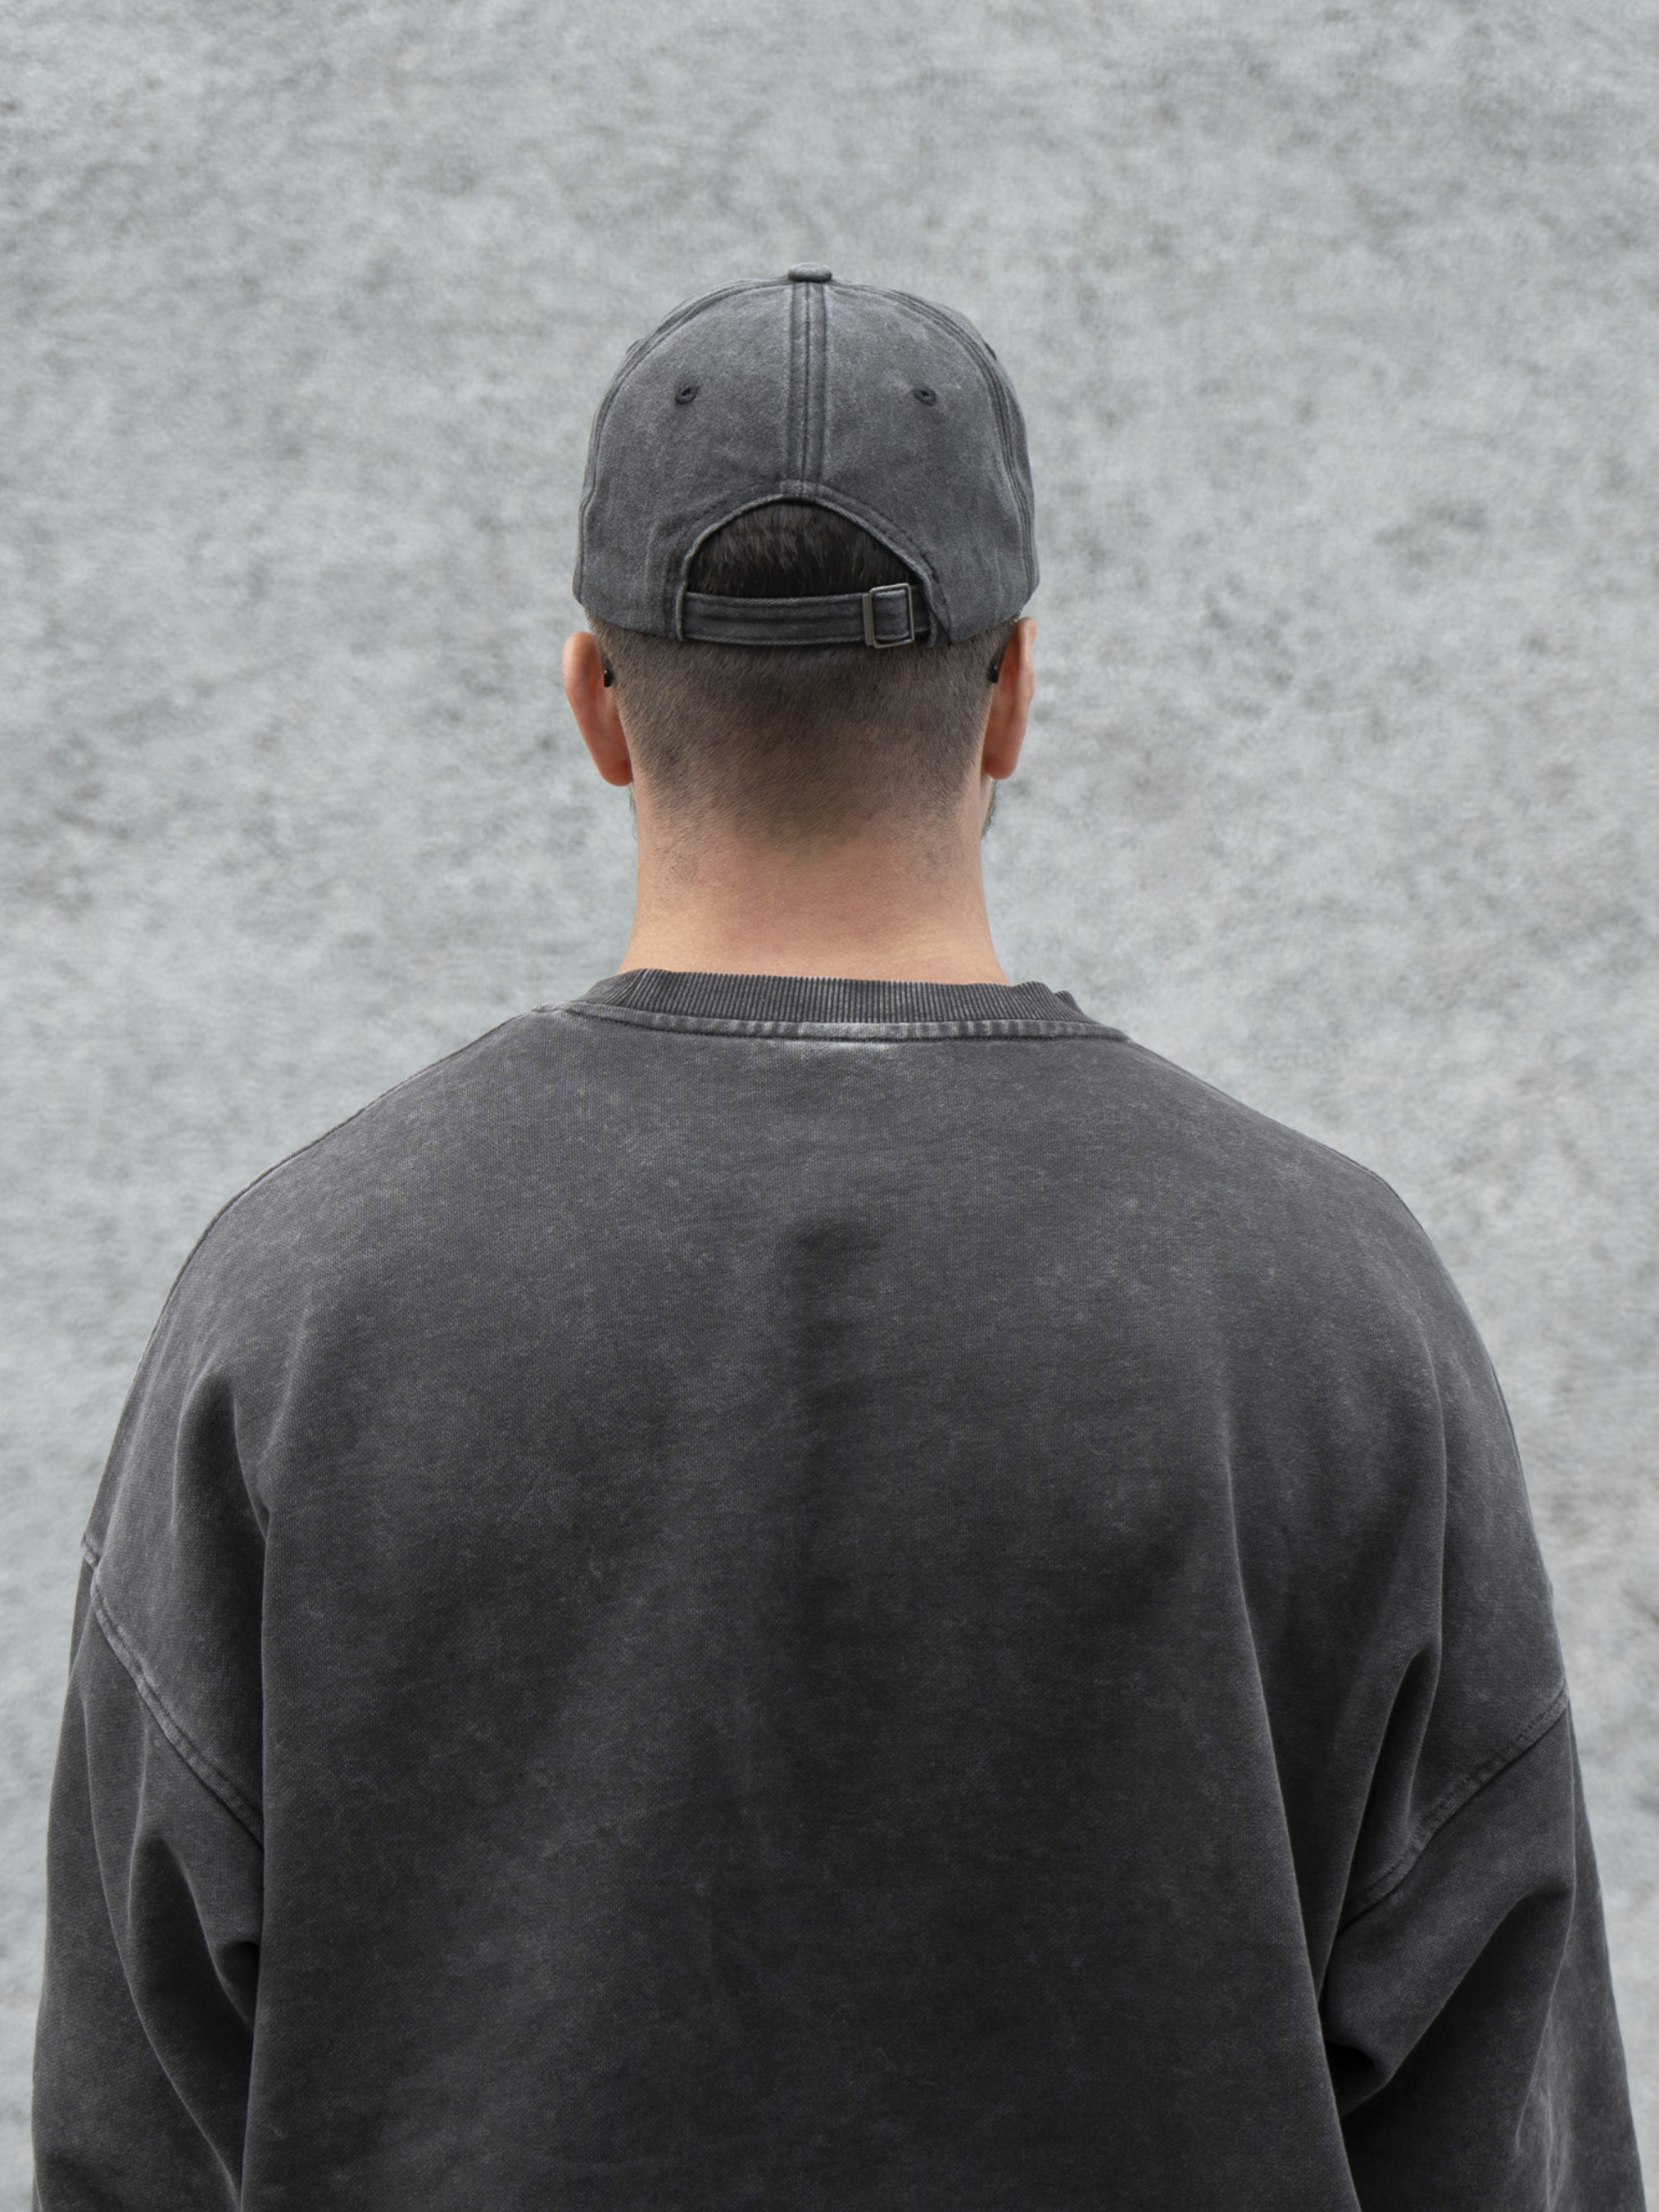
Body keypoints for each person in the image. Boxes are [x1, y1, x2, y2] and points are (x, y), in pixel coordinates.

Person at [31, 268, 1644, 2211]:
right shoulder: (1334, 1309)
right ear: (1015, 691)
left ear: (593, 703)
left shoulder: (297, 1302)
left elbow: (132, 2136)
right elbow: (1500, 2132)